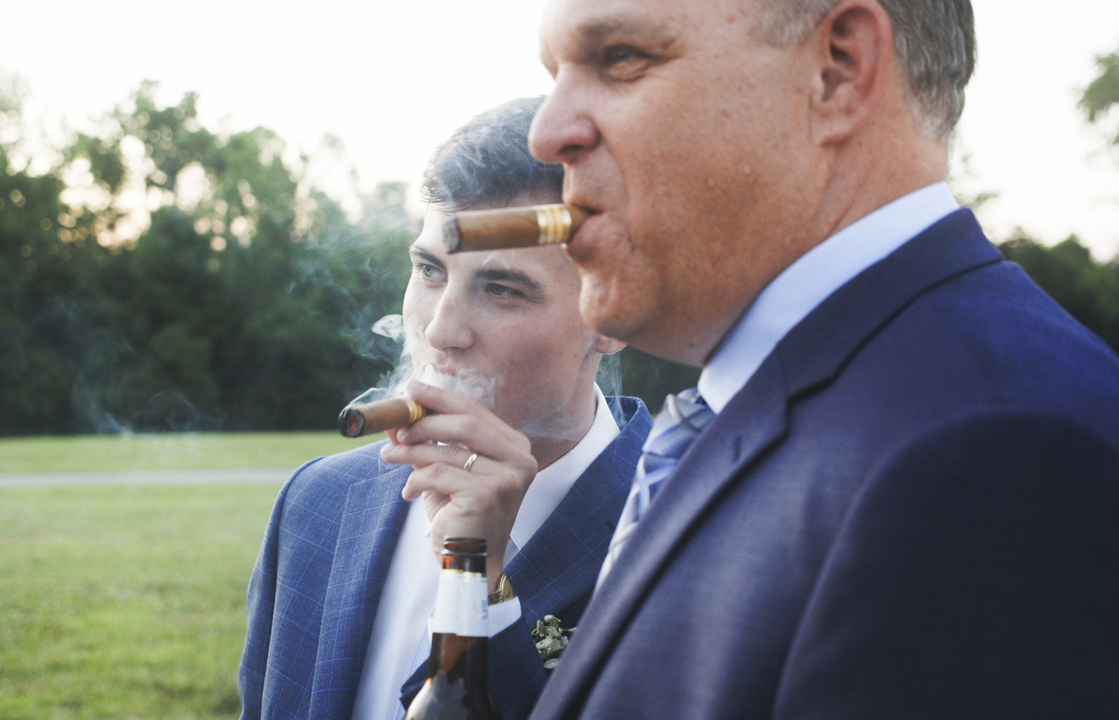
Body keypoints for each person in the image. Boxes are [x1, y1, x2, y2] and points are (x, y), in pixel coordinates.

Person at [525, 0, 1119, 718]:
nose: (546, 133)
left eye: (621, 58)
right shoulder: (816, 404)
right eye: (555, 75)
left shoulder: (994, 454)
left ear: (838, 70)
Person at [237, 96, 651, 720]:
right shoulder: (318, 501)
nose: (439, 331)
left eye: (501, 289)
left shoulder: (679, 525)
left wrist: (482, 591)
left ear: (613, 314)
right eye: (430, 271)